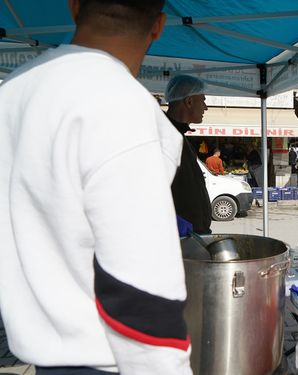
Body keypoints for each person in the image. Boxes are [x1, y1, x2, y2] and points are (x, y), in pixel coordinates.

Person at [0, 1, 192, 374]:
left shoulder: (12, 93)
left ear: (74, 7)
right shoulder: (123, 107)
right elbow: (142, 293)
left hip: (42, 354)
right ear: (159, 26)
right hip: (108, 359)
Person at [165, 75, 212, 234]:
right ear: (189, 101)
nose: (205, 107)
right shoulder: (163, 136)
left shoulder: (179, 136)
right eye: (203, 100)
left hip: (194, 234)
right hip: (177, 238)